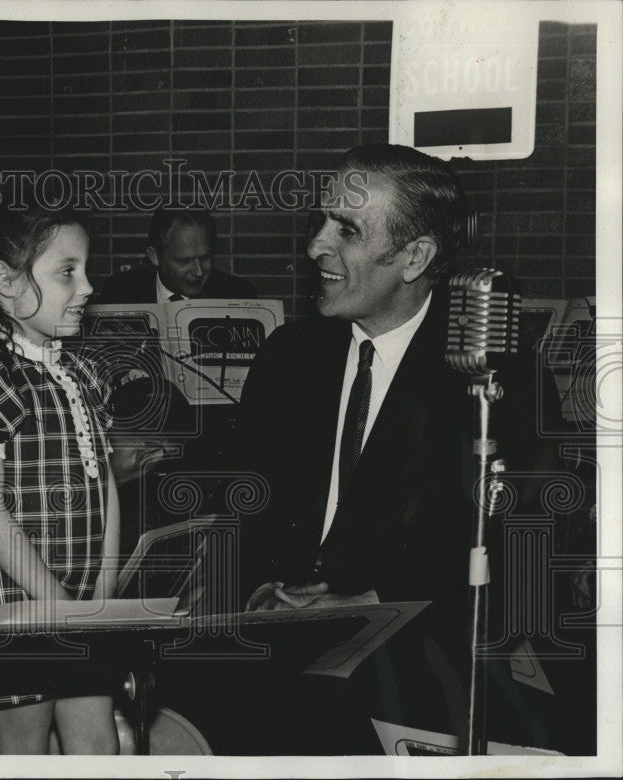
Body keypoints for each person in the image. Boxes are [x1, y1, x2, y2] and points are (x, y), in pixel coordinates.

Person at [228, 143, 558, 752]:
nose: (315, 247)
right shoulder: (287, 357)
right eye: (319, 221)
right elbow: (247, 507)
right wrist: (262, 586)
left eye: (345, 230)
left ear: (414, 257)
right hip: (277, 641)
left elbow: (526, 558)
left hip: (427, 652)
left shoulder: (492, 376)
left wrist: (374, 601)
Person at [0, 195, 121, 754]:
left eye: (85, 270)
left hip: (82, 599)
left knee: (99, 748)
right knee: (25, 752)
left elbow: (104, 481)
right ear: (5, 282)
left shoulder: (82, 371)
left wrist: (102, 595)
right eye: (68, 271)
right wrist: (57, 605)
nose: (87, 287)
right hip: (14, 600)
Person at [98, 205, 256, 303]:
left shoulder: (238, 295)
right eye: (184, 261)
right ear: (154, 256)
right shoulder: (119, 292)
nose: (199, 271)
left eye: (205, 258)